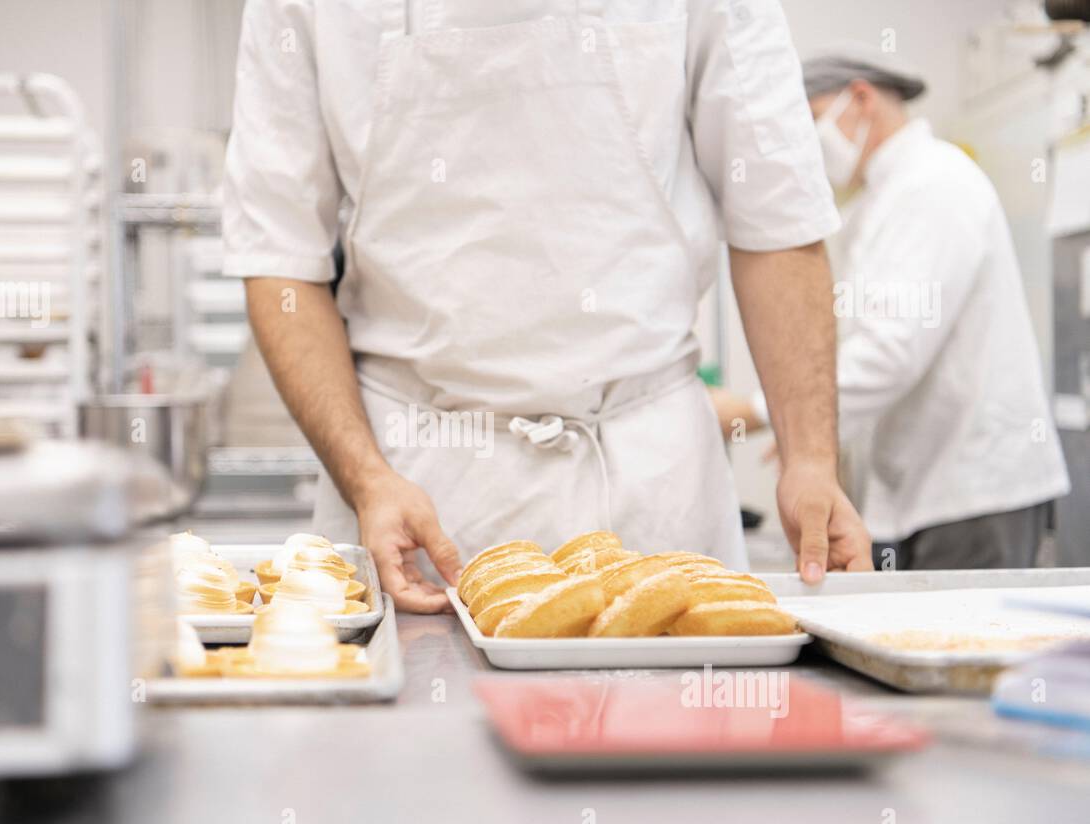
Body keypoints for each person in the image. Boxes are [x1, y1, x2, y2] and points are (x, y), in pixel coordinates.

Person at [223, 1, 871, 612]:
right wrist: (366, 479)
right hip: (416, 493)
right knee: (424, 729)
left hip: (651, 487)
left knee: (677, 727)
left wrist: (810, 458)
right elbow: (281, 260)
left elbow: (777, 218)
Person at [713, 51, 1070, 570]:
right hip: (929, 489)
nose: (806, 145)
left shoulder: (934, 184)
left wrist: (756, 410)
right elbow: (866, 345)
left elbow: (892, 351)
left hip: (973, 494)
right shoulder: (882, 200)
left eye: (811, 121)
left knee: (961, 646)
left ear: (861, 98)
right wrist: (811, 430)